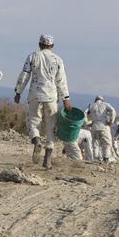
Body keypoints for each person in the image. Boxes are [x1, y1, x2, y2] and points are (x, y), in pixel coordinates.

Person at [14, 34, 71, 169]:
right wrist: (66, 99)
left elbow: (24, 75)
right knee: (51, 126)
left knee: (33, 122)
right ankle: (47, 159)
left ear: (40, 45)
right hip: (51, 97)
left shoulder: (33, 56)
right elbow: (61, 81)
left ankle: (36, 140)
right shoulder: (58, 60)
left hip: (35, 95)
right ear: (52, 46)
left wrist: (18, 92)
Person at [86, 96, 117, 162]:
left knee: (95, 143)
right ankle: (106, 157)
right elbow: (113, 111)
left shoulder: (91, 106)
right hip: (104, 126)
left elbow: (85, 113)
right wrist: (111, 121)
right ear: (102, 100)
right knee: (107, 143)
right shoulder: (105, 104)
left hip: (94, 127)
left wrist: (88, 123)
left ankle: (96, 158)